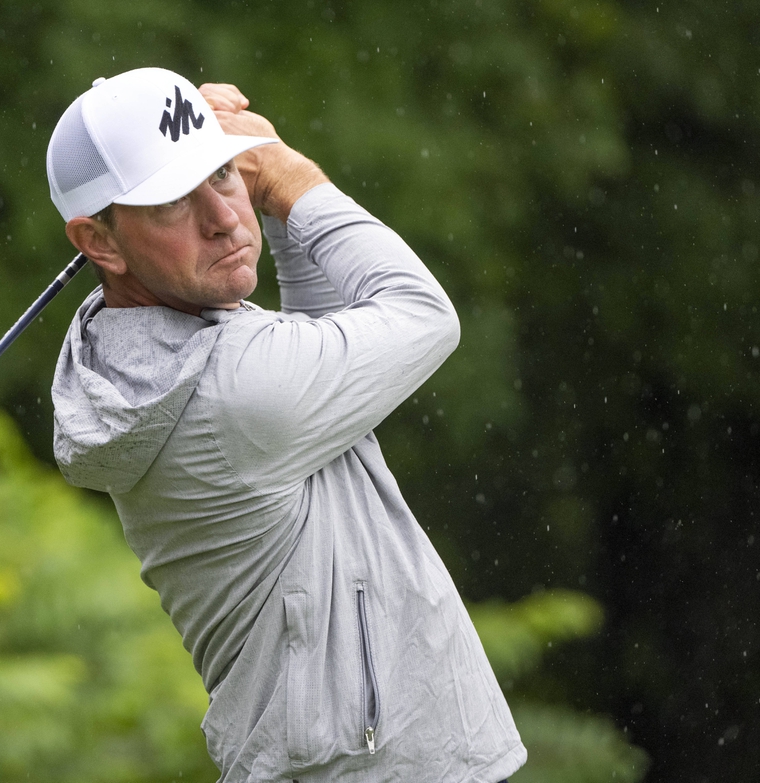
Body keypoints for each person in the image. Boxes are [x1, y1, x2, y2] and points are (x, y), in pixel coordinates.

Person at [48, 67, 526, 783]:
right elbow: (424, 316)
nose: (223, 217)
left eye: (222, 177)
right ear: (101, 243)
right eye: (174, 203)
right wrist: (283, 171)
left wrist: (270, 197)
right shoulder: (234, 392)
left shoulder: (146, 354)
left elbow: (321, 336)